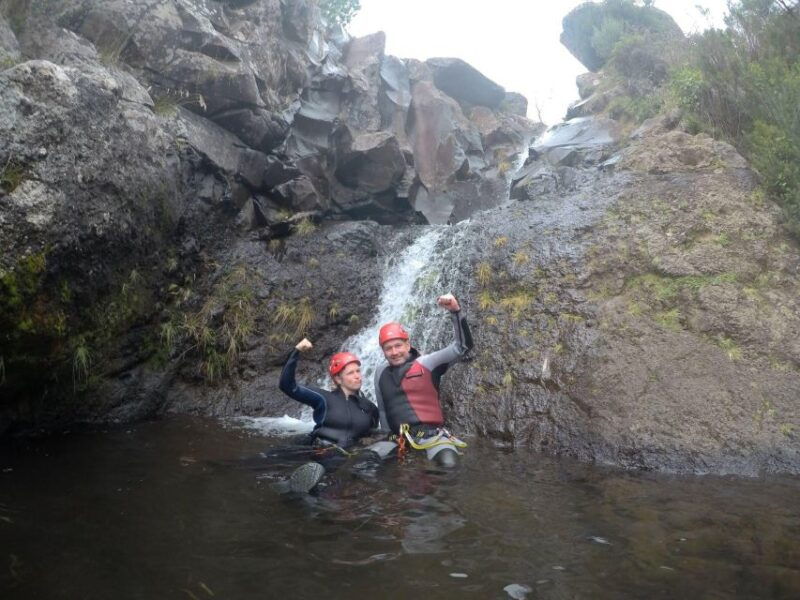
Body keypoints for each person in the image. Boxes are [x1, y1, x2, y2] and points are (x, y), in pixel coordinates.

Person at [369, 293, 473, 468]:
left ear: (408, 345)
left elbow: (462, 347)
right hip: (397, 440)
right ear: (383, 351)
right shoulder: (380, 373)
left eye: (398, 345)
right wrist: (385, 436)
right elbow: (383, 411)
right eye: (388, 348)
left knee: (449, 465)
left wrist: (455, 311)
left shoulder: (428, 363)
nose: (394, 352)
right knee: (366, 462)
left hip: (430, 437)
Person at [277, 338, 379, 492]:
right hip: (319, 451)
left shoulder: (369, 408)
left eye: (358, 371)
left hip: (348, 456)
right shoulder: (323, 398)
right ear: (338, 379)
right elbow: (287, 386)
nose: (357, 376)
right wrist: (296, 351)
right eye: (351, 373)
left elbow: (373, 432)